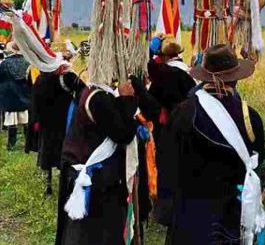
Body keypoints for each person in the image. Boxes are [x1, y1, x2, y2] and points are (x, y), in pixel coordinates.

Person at [163, 44, 265, 244]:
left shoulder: (183, 112)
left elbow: (168, 159)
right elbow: (258, 158)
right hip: (231, 213)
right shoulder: (250, 117)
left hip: (189, 211)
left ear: (204, 75)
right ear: (236, 78)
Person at [56, 79, 147, 245]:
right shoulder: (99, 98)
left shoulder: (95, 92)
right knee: (95, 233)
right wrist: (127, 99)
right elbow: (123, 133)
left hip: (96, 176)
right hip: (98, 181)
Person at [143, 35, 196, 225]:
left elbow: (150, 103)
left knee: (166, 168)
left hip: (167, 130)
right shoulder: (191, 74)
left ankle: (166, 213)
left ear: (163, 55)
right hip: (188, 128)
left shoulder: (164, 75)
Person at [30, 61, 86, 196]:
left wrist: (36, 120)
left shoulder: (41, 79)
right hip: (64, 120)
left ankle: (48, 185)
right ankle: (64, 184)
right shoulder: (69, 77)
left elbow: (35, 101)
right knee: (64, 150)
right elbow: (83, 92)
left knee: (47, 152)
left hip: (47, 122)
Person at [0, 41, 31, 150]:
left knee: (12, 120)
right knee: (25, 118)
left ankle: (11, 145)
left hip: (10, 95)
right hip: (24, 94)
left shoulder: (5, 63)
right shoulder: (27, 62)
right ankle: (29, 144)